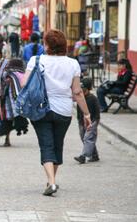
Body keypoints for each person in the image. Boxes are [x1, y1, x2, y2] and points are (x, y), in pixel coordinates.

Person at [22, 29, 92, 196]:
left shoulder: (36, 60)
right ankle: (51, 180)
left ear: (46, 45)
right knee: (57, 144)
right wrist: (87, 114)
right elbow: (77, 92)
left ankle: (51, 182)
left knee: (46, 145)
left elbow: (25, 83)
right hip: (64, 110)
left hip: (41, 109)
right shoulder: (73, 64)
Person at [74, 77, 100, 164]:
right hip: (81, 122)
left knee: (88, 138)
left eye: (84, 91)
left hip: (91, 122)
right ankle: (94, 155)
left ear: (89, 89)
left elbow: (97, 112)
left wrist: (95, 122)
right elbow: (79, 110)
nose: (82, 93)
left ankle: (83, 156)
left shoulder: (93, 99)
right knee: (84, 138)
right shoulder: (80, 98)